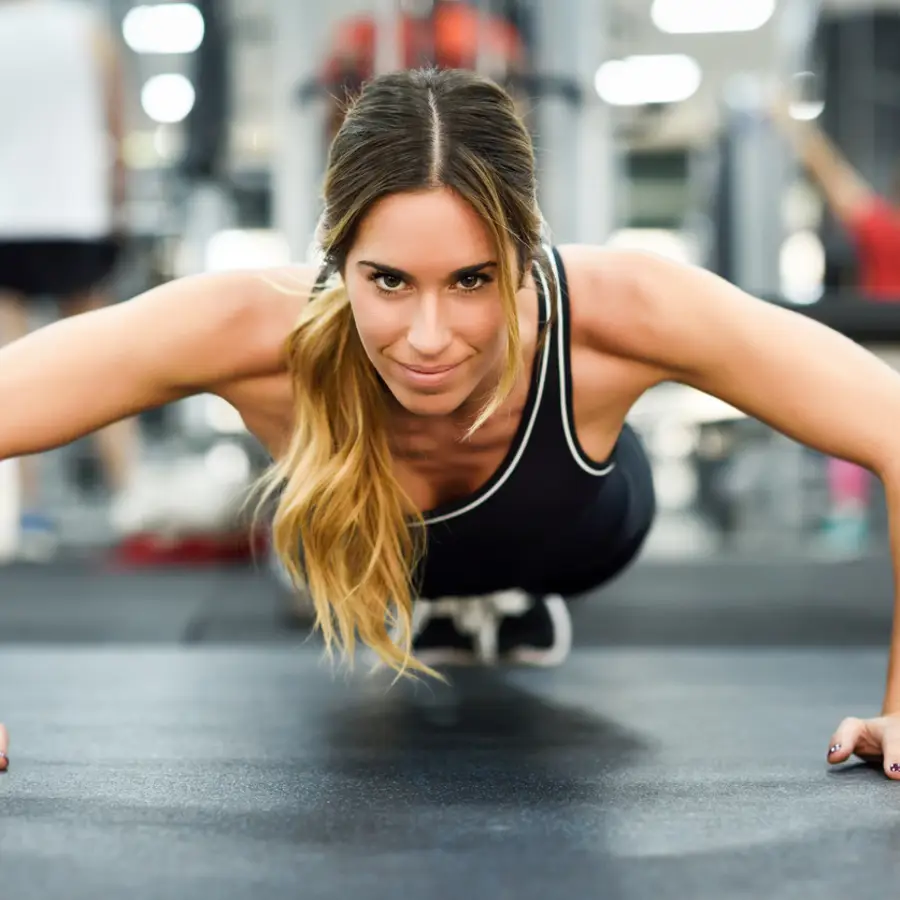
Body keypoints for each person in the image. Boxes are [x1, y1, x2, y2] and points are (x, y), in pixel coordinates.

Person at [2, 67, 900, 776]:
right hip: (360, 547)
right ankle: (445, 602)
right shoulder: (245, 327)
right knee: (314, 530)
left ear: (527, 249)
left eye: (473, 279)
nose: (428, 339)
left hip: (573, 535)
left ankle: (493, 600)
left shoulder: (627, 308)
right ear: (338, 255)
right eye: (387, 280)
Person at [0, 0, 138, 556]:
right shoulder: (89, 34)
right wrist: (118, 202)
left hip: (10, 218)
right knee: (103, 362)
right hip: (77, 215)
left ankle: (22, 513)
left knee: (12, 368)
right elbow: (115, 127)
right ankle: (132, 499)